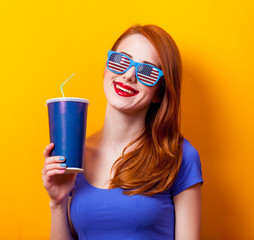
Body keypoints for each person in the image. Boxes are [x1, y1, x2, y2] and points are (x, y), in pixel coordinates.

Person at [42, 24, 203, 240]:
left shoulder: (179, 156)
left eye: (146, 71)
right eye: (121, 61)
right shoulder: (75, 154)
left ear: (159, 92)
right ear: (106, 68)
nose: (128, 75)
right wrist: (58, 202)